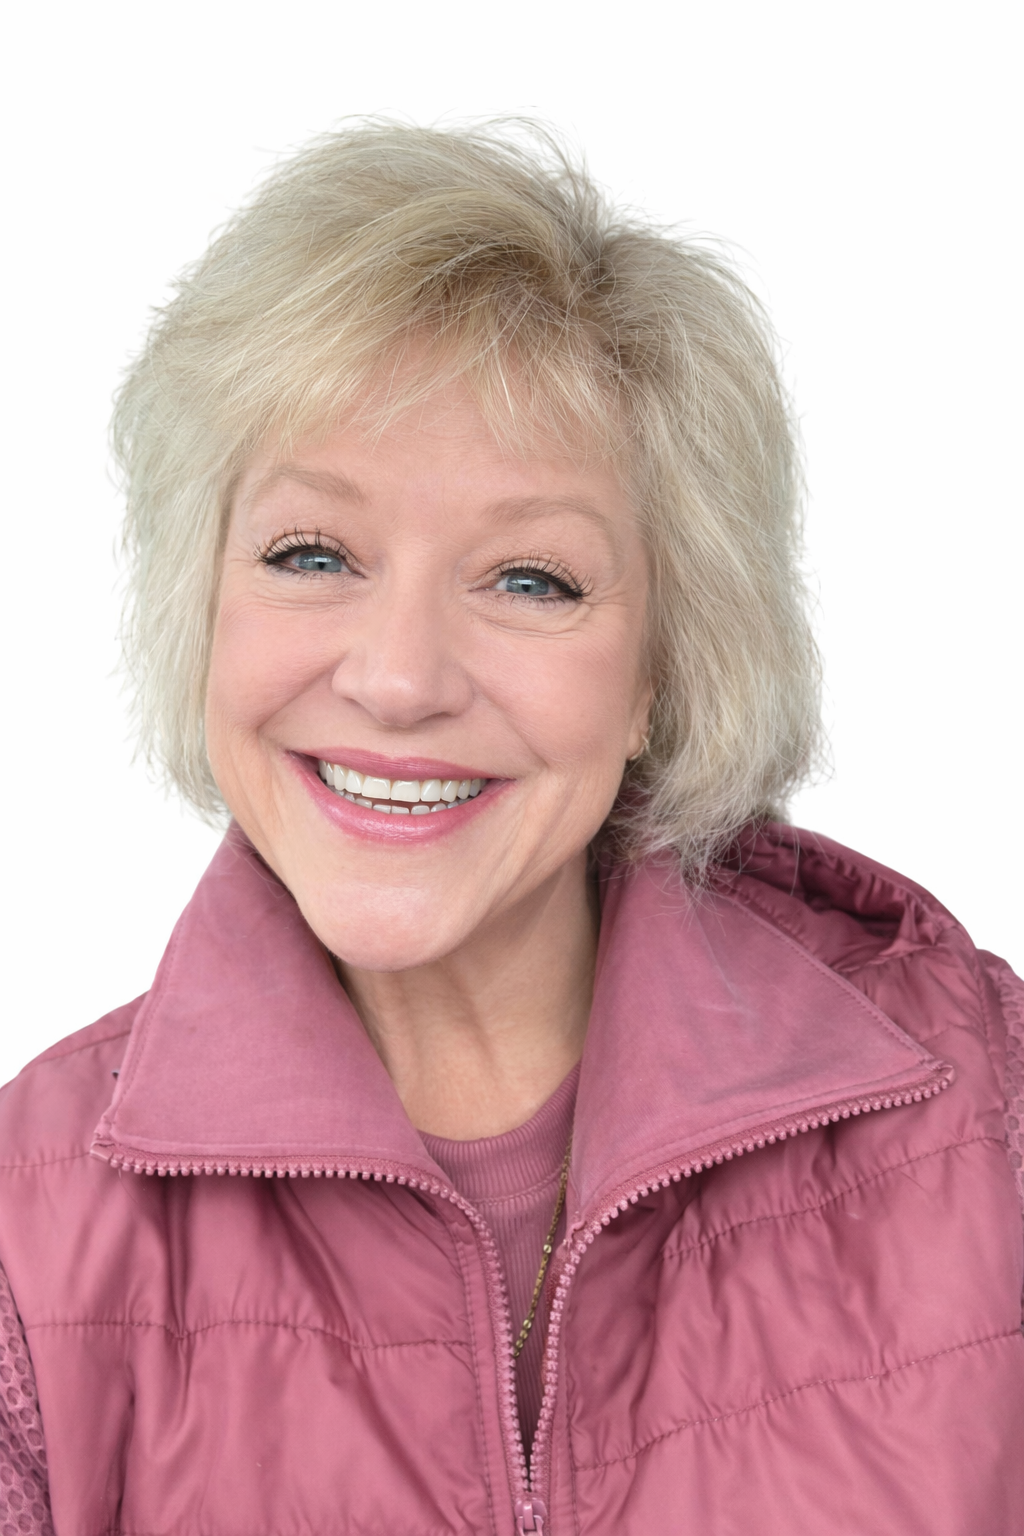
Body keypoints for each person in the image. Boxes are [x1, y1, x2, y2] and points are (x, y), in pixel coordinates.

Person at [0, 121, 1020, 1536]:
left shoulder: (989, 1118)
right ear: (204, 606)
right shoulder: (24, 1247)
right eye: (312, 555)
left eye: (531, 580)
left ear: (665, 669)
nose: (400, 677)